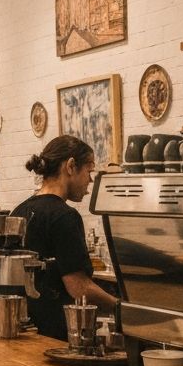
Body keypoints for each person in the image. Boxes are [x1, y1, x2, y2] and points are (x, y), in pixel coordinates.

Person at [10, 135, 118, 340]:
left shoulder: (19, 210)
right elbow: (79, 288)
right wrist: (119, 306)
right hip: (53, 334)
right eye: (89, 170)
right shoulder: (64, 216)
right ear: (70, 166)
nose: (91, 180)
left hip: (20, 330)